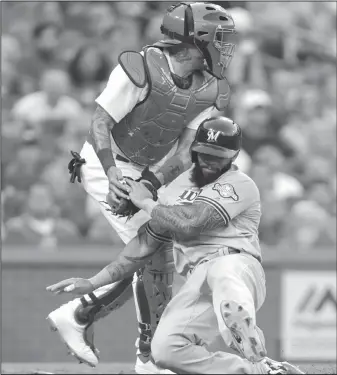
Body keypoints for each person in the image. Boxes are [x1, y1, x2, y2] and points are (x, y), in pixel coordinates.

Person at [46, 3, 237, 373]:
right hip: (108, 163)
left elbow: (184, 151)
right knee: (154, 250)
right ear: (194, 40)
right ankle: (145, 356)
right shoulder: (140, 67)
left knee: (157, 252)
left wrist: (148, 183)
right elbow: (99, 122)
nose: (225, 47)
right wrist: (114, 174)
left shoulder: (210, 86)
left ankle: (83, 316)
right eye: (219, 38)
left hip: (149, 171)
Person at [47, 116, 304, 375]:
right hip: (197, 280)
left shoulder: (239, 185)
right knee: (165, 351)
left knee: (224, 274)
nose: (209, 160)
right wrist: (92, 283)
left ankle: (249, 344)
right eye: (204, 152)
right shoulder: (174, 190)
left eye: (218, 156)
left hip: (237, 264)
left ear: (234, 156)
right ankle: (260, 371)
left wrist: (147, 203)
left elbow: (192, 223)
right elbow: (143, 247)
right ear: (194, 149)